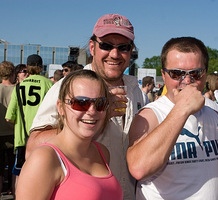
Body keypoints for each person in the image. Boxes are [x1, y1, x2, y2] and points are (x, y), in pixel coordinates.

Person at [126, 37, 218, 199]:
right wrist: (182, 110)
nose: (187, 81)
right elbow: (138, 169)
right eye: (177, 73)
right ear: (164, 74)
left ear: (205, 74)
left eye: (196, 73)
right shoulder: (150, 116)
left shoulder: (213, 116)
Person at [26, 14, 144, 200]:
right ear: (92, 47)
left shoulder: (136, 91)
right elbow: (33, 147)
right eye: (106, 45)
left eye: (123, 47)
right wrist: (98, 116)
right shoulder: (68, 87)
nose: (114, 54)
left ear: (131, 51)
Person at [16, 70, 122, 200]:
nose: (92, 111)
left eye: (100, 103)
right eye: (81, 103)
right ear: (60, 107)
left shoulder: (102, 153)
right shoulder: (45, 159)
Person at [5, 54, 53, 190]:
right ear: (41, 67)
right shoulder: (49, 84)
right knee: (43, 172)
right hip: (44, 137)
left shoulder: (19, 87)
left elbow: (9, 117)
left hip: (22, 138)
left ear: (27, 67)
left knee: (19, 173)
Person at [0, 61, 15, 195]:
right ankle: (12, 189)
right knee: (12, 166)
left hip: (0, 132)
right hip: (13, 131)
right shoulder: (17, 89)